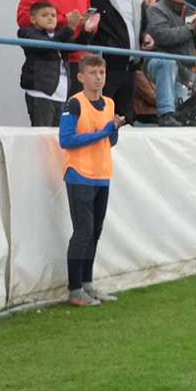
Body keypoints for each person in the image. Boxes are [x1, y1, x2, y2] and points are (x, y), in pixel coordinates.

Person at [58, 54, 124, 307]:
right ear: (81, 76)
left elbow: (110, 141)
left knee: (95, 232)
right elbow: (66, 140)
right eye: (93, 73)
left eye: (102, 73)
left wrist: (113, 131)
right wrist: (103, 133)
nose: (98, 78)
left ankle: (87, 284)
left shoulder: (109, 103)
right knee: (83, 231)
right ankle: (74, 290)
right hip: (79, 174)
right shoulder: (74, 104)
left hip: (102, 175)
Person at [17, 0, 98, 93]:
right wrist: (64, 20)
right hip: (48, 62)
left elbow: (82, 30)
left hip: (77, 60)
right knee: (48, 113)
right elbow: (24, 19)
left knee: (75, 113)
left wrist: (89, 28)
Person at [144, 0, 196, 126]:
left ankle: (174, 115)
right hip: (159, 61)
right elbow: (164, 36)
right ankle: (165, 114)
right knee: (167, 63)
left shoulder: (188, 11)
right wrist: (192, 28)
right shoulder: (155, 9)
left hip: (184, 67)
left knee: (184, 117)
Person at [89, 0, 144, 122]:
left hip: (131, 67)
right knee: (101, 114)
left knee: (126, 118)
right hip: (108, 66)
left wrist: (147, 37)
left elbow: (143, 26)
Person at [17, 1, 78, 127]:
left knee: (57, 138)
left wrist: (88, 31)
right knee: (42, 137)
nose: (50, 18)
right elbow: (46, 46)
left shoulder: (59, 34)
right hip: (42, 93)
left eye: (53, 15)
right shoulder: (27, 32)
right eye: (44, 15)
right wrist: (70, 27)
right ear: (33, 19)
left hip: (61, 93)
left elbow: (74, 47)